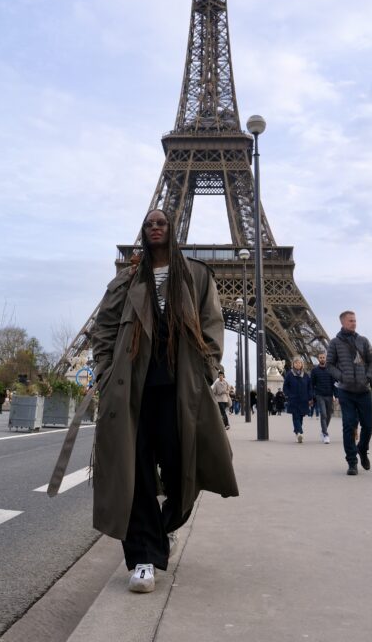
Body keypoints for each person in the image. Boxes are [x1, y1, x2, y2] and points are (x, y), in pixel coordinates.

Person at [90, 209, 238, 594]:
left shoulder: (196, 274)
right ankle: (144, 558)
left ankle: (160, 528)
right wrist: (106, 373)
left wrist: (206, 368)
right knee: (133, 473)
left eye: (162, 223)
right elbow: (103, 328)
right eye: (149, 223)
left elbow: (211, 323)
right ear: (143, 231)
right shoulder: (126, 280)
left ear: (173, 229)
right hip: (133, 390)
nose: (155, 227)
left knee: (182, 469)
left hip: (179, 389)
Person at [326, 311, 372, 475]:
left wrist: (368, 377)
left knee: (368, 425)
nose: (354, 323)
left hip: (363, 390)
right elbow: (329, 365)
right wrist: (342, 377)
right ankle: (352, 461)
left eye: (355, 320)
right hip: (346, 390)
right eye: (350, 321)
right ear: (343, 322)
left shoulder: (363, 341)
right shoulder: (334, 343)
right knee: (348, 425)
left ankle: (362, 448)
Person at [284, 357, 313, 442]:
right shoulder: (289, 374)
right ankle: (300, 432)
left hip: (303, 399)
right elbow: (285, 386)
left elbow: (309, 387)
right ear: (293, 364)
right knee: (296, 416)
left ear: (302, 364)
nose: (298, 364)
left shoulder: (306, 375)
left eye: (299, 363)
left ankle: (297, 433)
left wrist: (310, 396)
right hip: (293, 399)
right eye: (296, 363)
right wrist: (289, 395)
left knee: (300, 417)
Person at [310, 351, 335, 443]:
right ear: (318, 359)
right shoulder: (314, 371)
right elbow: (312, 384)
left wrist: (336, 395)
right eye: (320, 357)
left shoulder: (331, 370)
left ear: (326, 358)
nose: (322, 359)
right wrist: (312, 396)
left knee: (329, 415)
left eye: (323, 357)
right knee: (323, 414)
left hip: (329, 395)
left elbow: (334, 383)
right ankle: (325, 434)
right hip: (319, 395)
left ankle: (323, 430)